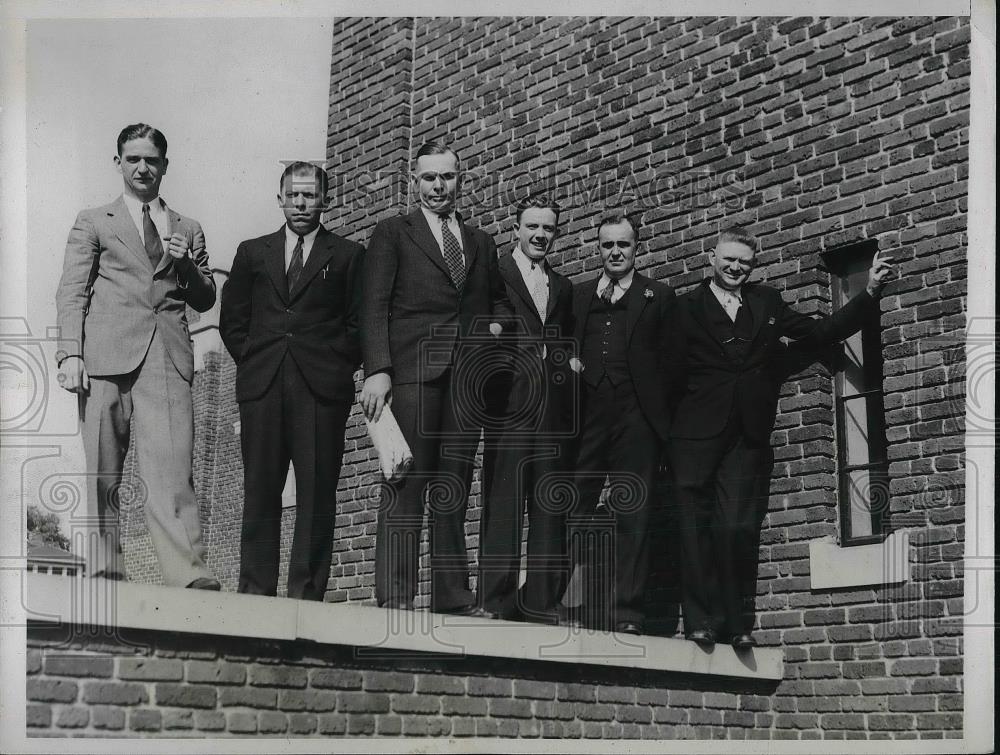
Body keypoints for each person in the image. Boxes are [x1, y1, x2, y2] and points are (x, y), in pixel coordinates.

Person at [669, 226, 897, 649]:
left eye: (744, 261)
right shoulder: (684, 308)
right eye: (729, 258)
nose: (736, 267)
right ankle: (699, 621)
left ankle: (735, 622)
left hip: (747, 437)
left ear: (752, 266)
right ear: (711, 258)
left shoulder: (767, 302)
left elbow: (817, 333)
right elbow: (664, 375)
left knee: (736, 528)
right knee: (695, 528)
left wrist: (869, 293)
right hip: (693, 437)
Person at [54, 123, 219, 589]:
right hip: (103, 357)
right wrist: (70, 353)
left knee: (172, 468)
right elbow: (72, 291)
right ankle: (105, 570)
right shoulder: (93, 221)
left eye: (151, 160)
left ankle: (188, 573)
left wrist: (185, 262)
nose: (142, 168)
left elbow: (205, 298)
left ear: (165, 165)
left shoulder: (188, 227)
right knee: (103, 468)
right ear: (119, 163)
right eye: (133, 159)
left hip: (166, 356)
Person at [359, 140, 514, 615]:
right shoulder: (392, 233)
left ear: (460, 181)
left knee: (454, 485)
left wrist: (493, 336)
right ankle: (397, 596)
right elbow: (374, 305)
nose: (438, 186)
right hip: (411, 374)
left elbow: (501, 307)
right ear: (415, 181)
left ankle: (451, 596)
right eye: (429, 177)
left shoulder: (481, 242)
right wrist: (379, 370)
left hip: (465, 380)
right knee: (406, 480)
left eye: (447, 177)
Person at [219, 162, 362, 601]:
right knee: (261, 489)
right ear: (280, 198)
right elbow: (232, 322)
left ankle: (307, 595)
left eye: (310, 195)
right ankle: (256, 591)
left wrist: (333, 365)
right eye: (293, 195)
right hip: (263, 389)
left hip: (321, 392)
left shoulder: (349, 255)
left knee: (317, 494)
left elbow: (359, 325)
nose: (301, 203)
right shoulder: (252, 252)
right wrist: (257, 361)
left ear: (325, 200)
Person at [567, 213, 677, 635]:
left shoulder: (658, 296)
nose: (615, 252)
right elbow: (557, 345)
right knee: (575, 506)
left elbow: (671, 366)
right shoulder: (577, 296)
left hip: (637, 420)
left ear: (636, 248)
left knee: (633, 510)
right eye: (608, 245)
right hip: (589, 416)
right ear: (599, 249)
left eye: (623, 245)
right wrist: (569, 360)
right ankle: (572, 603)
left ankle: (627, 610)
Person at [478, 195, 575, 622]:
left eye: (548, 228)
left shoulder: (563, 286)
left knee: (547, 502)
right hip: (508, 404)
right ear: (516, 228)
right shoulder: (494, 272)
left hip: (551, 408)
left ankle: (540, 600)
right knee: (504, 498)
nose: (540, 235)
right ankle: (495, 599)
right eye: (532, 227)